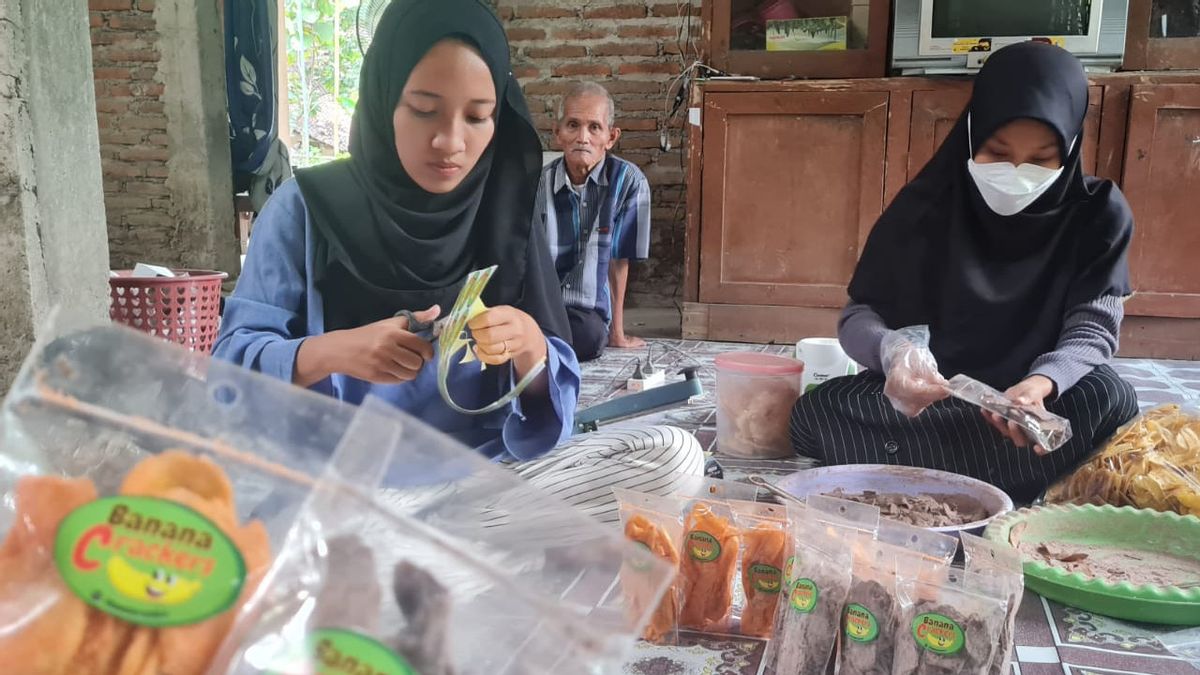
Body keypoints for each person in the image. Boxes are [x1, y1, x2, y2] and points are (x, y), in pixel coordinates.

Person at [214, 0, 701, 520]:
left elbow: (552, 400)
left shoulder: (505, 211)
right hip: (335, 479)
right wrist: (333, 352)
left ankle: (403, 560)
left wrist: (530, 349)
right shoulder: (306, 209)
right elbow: (228, 377)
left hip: (477, 482)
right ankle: (414, 561)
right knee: (201, 483)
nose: (450, 141)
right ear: (383, 100)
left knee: (669, 457)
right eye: (423, 109)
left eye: (476, 116)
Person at [790, 43, 1140, 504]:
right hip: (929, 400)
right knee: (814, 413)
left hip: (1031, 403)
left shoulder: (1098, 213)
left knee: (1107, 398)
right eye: (997, 151)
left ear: (1071, 147)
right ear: (972, 135)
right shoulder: (927, 206)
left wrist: (1040, 385)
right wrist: (893, 352)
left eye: (1040, 158)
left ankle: (922, 472)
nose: (1016, 171)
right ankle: (1012, 474)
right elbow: (860, 317)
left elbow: (1093, 328)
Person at [534, 82, 652, 362]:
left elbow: (619, 260)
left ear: (611, 137)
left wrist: (617, 333)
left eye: (594, 127)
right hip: (542, 303)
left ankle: (534, 347)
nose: (582, 138)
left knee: (588, 338)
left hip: (582, 310)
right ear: (558, 134)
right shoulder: (538, 184)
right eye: (573, 125)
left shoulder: (629, 182)